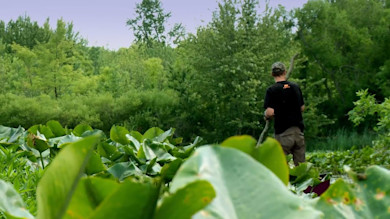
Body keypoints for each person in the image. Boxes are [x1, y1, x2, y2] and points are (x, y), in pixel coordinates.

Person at [263, 62, 305, 166]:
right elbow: (302, 108)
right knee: (301, 167)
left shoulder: (271, 90)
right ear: (285, 72)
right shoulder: (295, 87)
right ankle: (306, 181)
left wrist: (266, 115)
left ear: (272, 74)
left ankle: (285, 182)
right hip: (298, 132)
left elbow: (270, 112)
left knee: (281, 166)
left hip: (283, 134)